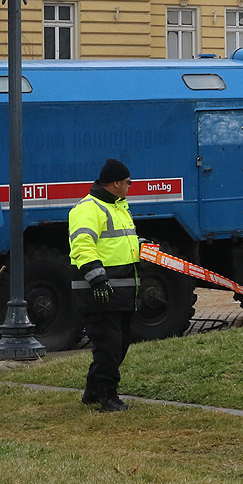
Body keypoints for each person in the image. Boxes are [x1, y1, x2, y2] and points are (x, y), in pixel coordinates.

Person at [68, 158, 140, 412]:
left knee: (118, 345)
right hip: (98, 292)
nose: (131, 187)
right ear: (117, 184)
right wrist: (96, 278)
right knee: (108, 347)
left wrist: (143, 246)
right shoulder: (88, 209)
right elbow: (82, 244)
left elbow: (117, 244)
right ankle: (108, 397)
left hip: (119, 292)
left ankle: (93, 391)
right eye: (129, 182)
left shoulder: (119, 207)